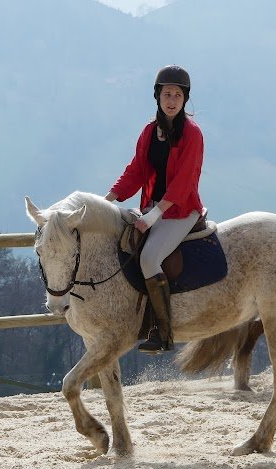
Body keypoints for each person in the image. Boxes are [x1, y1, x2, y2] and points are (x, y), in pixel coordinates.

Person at [105, 65, 204, 354]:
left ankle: (163, 333)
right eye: (166, 94)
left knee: (149, 258)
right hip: (150, 207)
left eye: (177, 95)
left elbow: (183, 184)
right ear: (157, 97)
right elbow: (136, 171)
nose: (171, 100)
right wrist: (107, 199)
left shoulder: (193, 135)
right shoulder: (150, 131)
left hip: (181, 211)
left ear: (184, 99)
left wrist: (153, 215)